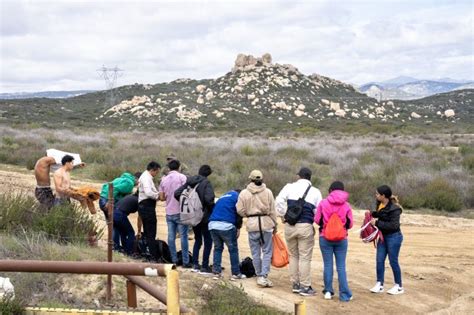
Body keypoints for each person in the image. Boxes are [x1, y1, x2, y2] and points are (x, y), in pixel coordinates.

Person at [275, 167, 322, 296]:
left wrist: (284, 215)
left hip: (290, 226)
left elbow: (278, 201)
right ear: (310, 178)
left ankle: (295, 284)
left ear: (298, 176)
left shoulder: (289, 187)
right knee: (305, 257)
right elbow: (318, 212)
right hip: (305, 226)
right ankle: (305, 287)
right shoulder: (316, 192)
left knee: (293, 255)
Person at [237, 170, 277, 287]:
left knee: (255, 252)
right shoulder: (268, 192)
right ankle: (263, 276)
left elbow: (239, 209)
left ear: (251, 179)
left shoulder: (244, 193)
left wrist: (248, 215)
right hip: (266, 224)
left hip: (252, 224)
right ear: (261, 179)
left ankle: (259, 274)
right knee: (267, 251)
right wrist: (275, 224)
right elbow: (273, 210)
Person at [314, 181, 353, 301]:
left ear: (330, 190)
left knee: (328, 265)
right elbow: (350, 224)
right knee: (341, 266)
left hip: (325, 237)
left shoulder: (323, 203)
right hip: (342, 239)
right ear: (342, 190)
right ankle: (344, 295)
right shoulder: (346, 205)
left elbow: (317, 220)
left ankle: (328, 292)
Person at [174, 165, 215, 273]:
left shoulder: (190, 181)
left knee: (198, 240)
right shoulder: (206, 183)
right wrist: (210, 210)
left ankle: (195, 264)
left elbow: (177, 193)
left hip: (192, 215)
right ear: (209, 174)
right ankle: (205, 266)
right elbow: (209, 200)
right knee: (208, 241)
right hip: (204, 216)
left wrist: (190, 205)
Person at [369, 185, 404, 295]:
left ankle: (399, 286)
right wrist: (372, 214)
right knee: (379, 260)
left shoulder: (395, 209)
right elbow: (381, 214)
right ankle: (379, 284)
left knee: (393, 261)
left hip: (394, 237)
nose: (376, 195)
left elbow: (394, 225)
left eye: (377, 194)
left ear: (383, 196)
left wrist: (377, 223)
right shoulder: (380, 203)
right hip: (383, 237)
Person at [208, 189, 245, 280]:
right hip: (227, 226)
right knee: (233, 249)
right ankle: (235, 273)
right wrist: (238, 227)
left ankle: (216, 272)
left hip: (212, 224)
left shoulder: (222, 197)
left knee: (217, 248)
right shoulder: (238, 197)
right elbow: (239, 213)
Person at [159, 160, 189, 267]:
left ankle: (174, 259)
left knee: (171, 236)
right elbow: (187, 193)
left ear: (168, 168)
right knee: (183, 236)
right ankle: (185, 261)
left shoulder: (164, 179)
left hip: (169, 211)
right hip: (180, 211)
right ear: (179, 167)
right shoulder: (182, 178)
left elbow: (162, 197)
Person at [138, 161, 161, 261]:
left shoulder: (145, 176)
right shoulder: (146, 178)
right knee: (151, 231)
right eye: (156, 172)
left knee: (148, 231)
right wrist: (157, 196)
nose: (156, 174)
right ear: (152, 170)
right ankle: (152, 256)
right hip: (147, 206)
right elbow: (148, 192)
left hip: (145, 206)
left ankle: (147, 253)